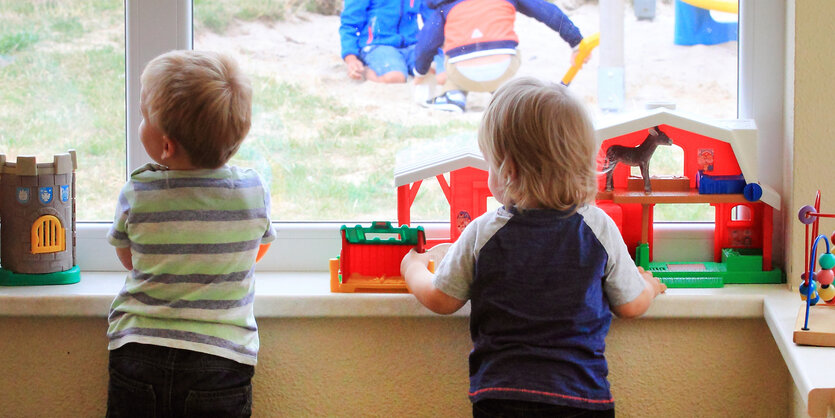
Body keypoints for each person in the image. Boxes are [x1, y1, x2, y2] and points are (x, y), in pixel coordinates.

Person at [401, 77, 666, 417]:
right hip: (582, 398)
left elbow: (441, 298)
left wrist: (412, 269)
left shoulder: (484, 232)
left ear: (507, 170)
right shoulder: (598, 227)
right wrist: (649, 285)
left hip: (502, 398)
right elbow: (631, 305)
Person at [105, 50, 275, 417]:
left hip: (139, 350)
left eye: (142, 117)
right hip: (221, 359)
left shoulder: (139, 190)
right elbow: (257, 249)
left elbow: (127, 257)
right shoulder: (252, 190)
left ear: (166, 146)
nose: (139, 123)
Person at [413, 0, 587, 112]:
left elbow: (426, 43)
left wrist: (420, 72)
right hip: (502, 68)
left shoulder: (445, 4)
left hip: (461, 72)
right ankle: (503, 90)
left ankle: (454, 95)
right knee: (510, 49)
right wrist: (576, 42)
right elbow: (548, 12)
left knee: (450, 47)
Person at [339, 0, 446, 83]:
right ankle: (366, 71)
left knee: (439, 73)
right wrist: (351, 58)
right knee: (395, 77)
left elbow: (433, 18)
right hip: (377, 44)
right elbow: (350, 22)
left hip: (412, 44)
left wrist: (441, 46)